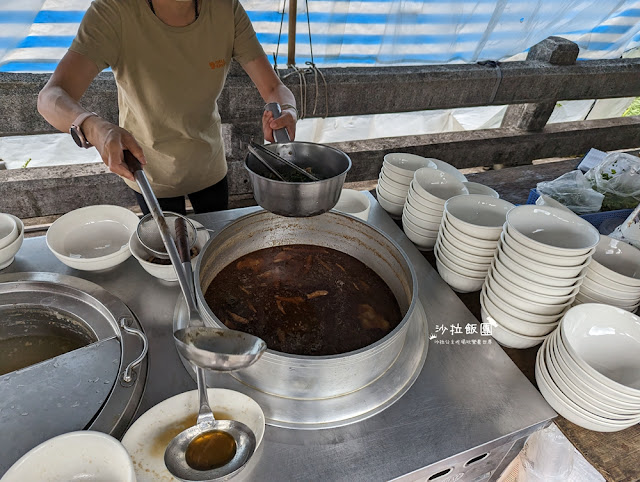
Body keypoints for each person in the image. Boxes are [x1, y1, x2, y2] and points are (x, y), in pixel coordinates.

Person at [37, 0, 297, 215]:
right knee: (165, 259)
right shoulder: (114, 11)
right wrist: (94, 128)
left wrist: (288, 110)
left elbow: (273, 88)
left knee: (215, 248)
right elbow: (51, 96)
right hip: (147, 172)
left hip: (208, 166)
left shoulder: (225, 9)